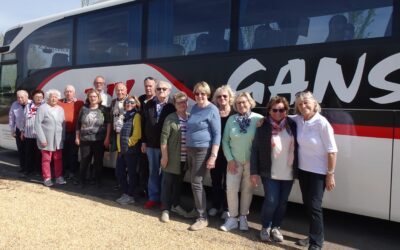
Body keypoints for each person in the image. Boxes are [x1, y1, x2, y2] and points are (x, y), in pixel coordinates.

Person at [293, 91, 338, 250]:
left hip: (319, 173)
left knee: (314, 207)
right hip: (303, 171)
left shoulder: (322, 123)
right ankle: (313, 235)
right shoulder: (298, 120)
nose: (303, 106)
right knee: (308, 205)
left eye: (306, 102)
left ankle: (316, 243)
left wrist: (330, 174)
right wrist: (263, 120)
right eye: (299, 104)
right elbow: (279, 117)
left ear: (314, 103)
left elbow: (332, 151)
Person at [250, 96, 298, 242]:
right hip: (269, 171)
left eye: (282, 110)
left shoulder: (293, 124)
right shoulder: (263, 125)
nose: (278, 113)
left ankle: (276, 227)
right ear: (269, 111)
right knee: (271, 200)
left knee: (282, 202)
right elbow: (255, 150)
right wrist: (254, 172)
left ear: (286, 110)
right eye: (275, 110)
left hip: (288, 172)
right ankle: (265, 226)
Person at [219, 92, 262, 232]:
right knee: (231, 189)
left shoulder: (259, 119)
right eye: (238, 103)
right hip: (234, 161)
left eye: (244, 102)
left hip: (251, 162)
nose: (241, 105)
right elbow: (225, 141)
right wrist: (230, 159)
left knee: (247, 190)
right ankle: (232, 218)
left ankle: (243, 217)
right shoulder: (232, 119)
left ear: (250, 103)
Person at [186, 81, 221, 231]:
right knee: (194, 181)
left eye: (203, 93)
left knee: (196, 182)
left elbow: (217, 134)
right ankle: (197, 209)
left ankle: (202, 217)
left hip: (203, 150)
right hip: (190, 149)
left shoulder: (212, 109)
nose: (200, 96)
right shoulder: (194, 107)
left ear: (208, 94)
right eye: (197, 93)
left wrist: (213, 155)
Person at [141, 80, 176, 209]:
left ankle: (164, 199)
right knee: (153, 172)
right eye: (159, 89)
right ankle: (153, 197)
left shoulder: (172, 107)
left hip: (166, 146)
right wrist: (143, 141)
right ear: (155, 91)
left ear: (169, 91)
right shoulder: (148, 104)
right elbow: (143, 124)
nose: (161, 91)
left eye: (164, 89)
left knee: (166, 174)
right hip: (151, 145)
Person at [159, 92, 191, 222]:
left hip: (184, 158)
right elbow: (163, 139)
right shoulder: (170, 118)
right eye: (179, 103)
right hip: (171, 157)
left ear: (187, 103)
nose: (182, 105)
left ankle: (175, 205)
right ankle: (165, 209)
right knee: (167, 184)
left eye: (184, 102)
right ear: (175, 104)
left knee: (178, 183)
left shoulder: (190, 117)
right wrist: (164, 157)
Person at [76, 89, 111, 188]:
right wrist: (77, 137)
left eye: (94, 96)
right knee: (84, 161)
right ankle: (81, 181)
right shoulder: (83, 108)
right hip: (85, 140)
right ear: (88, 98)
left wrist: (107, 138)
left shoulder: (104, 109)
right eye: (91, 96)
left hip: (99, 140)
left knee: (98, 162)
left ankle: (97, 181)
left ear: (98, 98)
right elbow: (78, 123)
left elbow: (108, 124)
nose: (92, 98)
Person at [209, 85, 235, 219]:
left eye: (225, 96)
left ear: (230, 98)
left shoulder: (235, 114)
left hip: (230, 154)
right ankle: (215, 205)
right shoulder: (213, 112)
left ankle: (226, 208)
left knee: (229, 183)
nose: (222, 98)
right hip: (216, 152)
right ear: (215, 99)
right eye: (219, 96)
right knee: (215, 181)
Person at [34, 89, 66, 187]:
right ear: (48, 97)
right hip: (47, 139)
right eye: (52, 96)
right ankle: (47, 178)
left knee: (58, 158)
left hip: (58, 139)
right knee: (46, 159)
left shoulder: (60, 109)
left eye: (56, 97)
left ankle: (58, 176)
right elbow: (37, 124)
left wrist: (63, 137)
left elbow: (63, 124)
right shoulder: (42, 108)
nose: (54, 99)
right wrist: (42, 139)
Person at [115, 96, 142, 205]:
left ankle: (130, 195)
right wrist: (120, 147)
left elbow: (137, 135)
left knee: (131, 174)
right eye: (127, 102)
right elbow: (118, 133)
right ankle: (126, 193)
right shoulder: (122, 116)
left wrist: (128, 144)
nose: (129, 104)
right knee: (119, 172)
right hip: (121, 150)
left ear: (135, 104)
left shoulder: (136, 116)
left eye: (131, 102)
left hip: (131, 150)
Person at [58, 85, 84, 180]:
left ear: (74, 93)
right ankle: (64, 171)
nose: (69, 93)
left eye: (71, 91)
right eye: (67, 91)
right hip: (62, 132)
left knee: (73, 153)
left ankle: (72, 172)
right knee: (63, 152)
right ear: (64, 93)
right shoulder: (58, 102)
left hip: (74, 132)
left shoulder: (79, 103)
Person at [137, 76, 156, 197]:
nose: (148, 88)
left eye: (150, 86)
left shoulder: (158, 100)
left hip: (153, 141)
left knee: (153, 168)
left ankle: (152, 191)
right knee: (143, 166)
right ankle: (142, 189)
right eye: (146, 86)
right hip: (141, 139)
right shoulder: (141, 99)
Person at [21, 90, 44, 176]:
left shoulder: (44, 106)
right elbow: (23, 119)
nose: (39, 98)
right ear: (33, 97)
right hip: (29, 134)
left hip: (40, 135)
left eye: (41, 97)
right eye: (37, 97)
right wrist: (22, 131)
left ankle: (38, 171)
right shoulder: (28, 106)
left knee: (39, 155)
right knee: (28, 153)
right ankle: (28, 170)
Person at [9, 90, 31, 173]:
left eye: (22, 97)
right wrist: (12, 130)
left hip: (29, 130)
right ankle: (23, 167)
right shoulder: (14, 104)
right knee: (21, 150)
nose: (20, 99)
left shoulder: (31, 104)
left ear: (27, 96)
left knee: (28, 150)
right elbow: (11, 117)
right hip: (18, 130)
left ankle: (29, 168)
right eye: (18, 97)